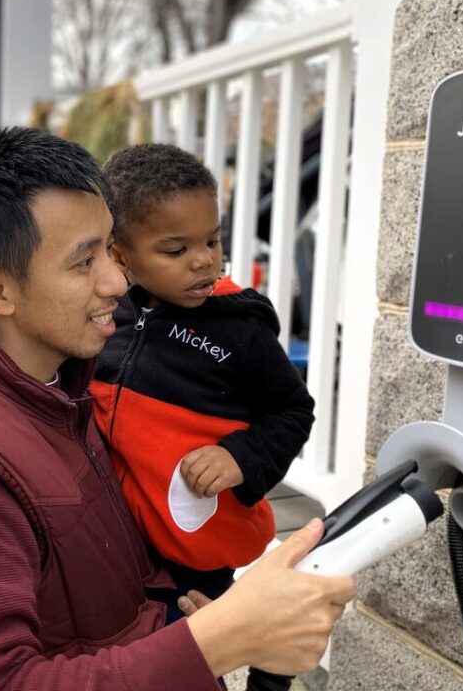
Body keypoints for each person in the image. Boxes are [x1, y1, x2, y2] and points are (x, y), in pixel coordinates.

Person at [0, 128, 355, 690]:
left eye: (109, 247)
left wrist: (189, 616)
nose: (116, 279)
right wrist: (217, 641)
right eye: (84, 263)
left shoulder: (61, 370)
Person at [92, 143, 315, 688]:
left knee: (186, 659)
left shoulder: (240, 330)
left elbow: (293, 409)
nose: (204, 261)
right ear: (121, 256)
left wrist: (239, 458)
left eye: (212, 240)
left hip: (198, 549)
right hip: (120, 539)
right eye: (176, 249)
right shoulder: (106, 314)